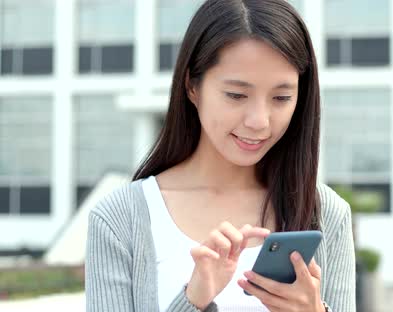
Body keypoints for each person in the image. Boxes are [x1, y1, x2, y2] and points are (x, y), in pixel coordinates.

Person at [85, 0, 355, 311]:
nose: (259, 121)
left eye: (281, 97)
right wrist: (192, 301)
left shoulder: (326, 214)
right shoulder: (119, 219)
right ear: (192, 86)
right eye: (237, 95)